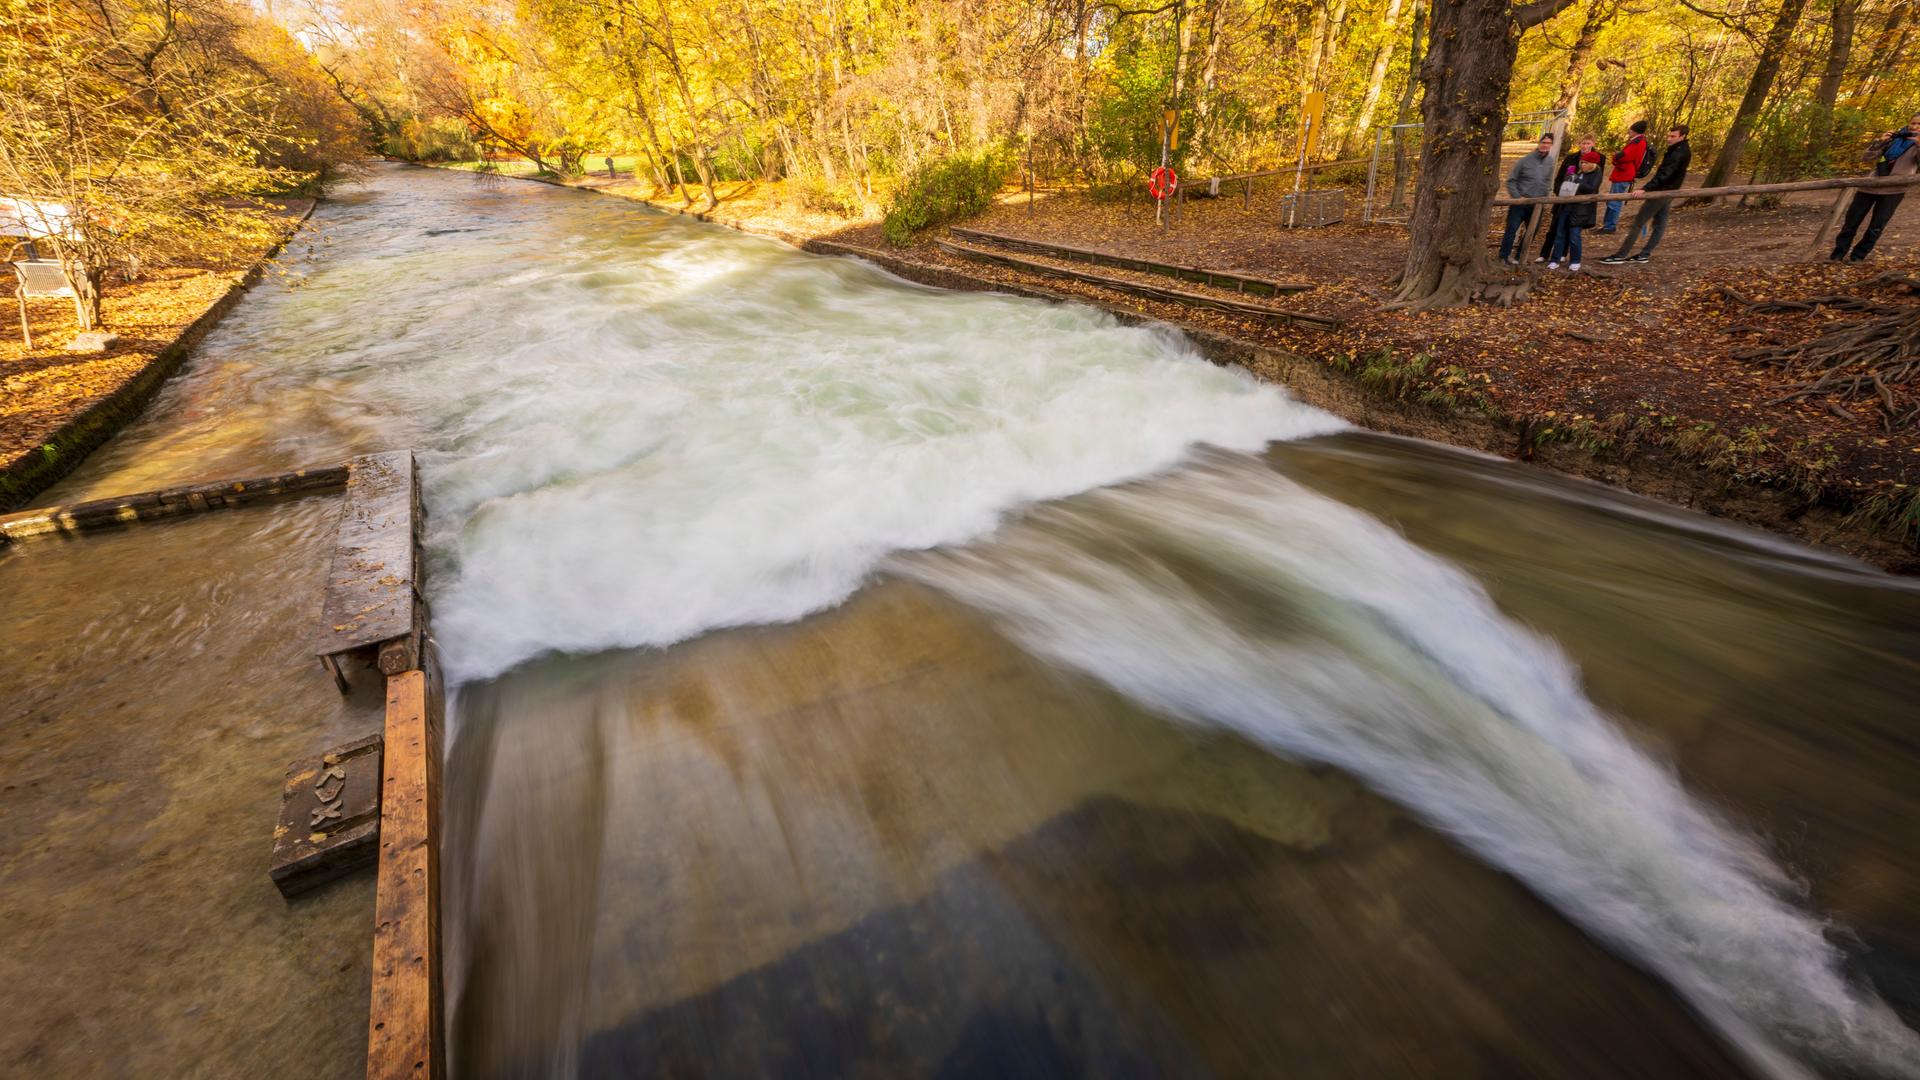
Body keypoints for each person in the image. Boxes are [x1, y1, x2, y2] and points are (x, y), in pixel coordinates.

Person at [1830, 111, 1920, 262]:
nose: (1915, 127)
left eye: (1919, 125)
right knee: (1851, 222)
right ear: (1908, 123)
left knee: (1876, 226)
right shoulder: (1894, 138)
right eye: (1913, 123)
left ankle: (1857, 256)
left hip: (1894, 190)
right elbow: (1866, 158)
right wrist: (1880, 141)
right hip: (1870, 185)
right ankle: (1837, 254)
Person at [1600, 124, 1691, 265]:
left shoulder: (1679, 152)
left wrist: (1646, 188)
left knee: (1638, 223)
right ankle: (1644, 254)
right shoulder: (1679, 149)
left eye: (1673, 136)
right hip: (1668, 191)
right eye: (1669, 135)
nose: (1669, 139)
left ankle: (1620, 255)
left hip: (1662, 192)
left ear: (1682, 136)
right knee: (1660, 224)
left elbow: (1666, 173)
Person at [1536, 135, 1598, 261]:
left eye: (1588, 143)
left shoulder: (1598, 158)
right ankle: (1544, 254)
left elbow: (1594, 183)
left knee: (1572, 229)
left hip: (1581, 202)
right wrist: (1560, 192)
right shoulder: (1571, 158)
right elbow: (1559, 177)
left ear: (1593, 144)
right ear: (1579, 143)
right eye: (1583, 143)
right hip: (1563, 198)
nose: (1585, 146)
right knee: (1554, 227)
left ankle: (1563, 254)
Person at [1499, 133, 1557, 265]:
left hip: (1537, 204)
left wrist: (1545, 197)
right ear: (1539, 143)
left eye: (1548, 143)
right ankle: (1504, 256)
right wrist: (1518, 197)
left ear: (1551, 146)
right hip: (1521, 202)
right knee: (1511, 229)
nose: (1545, 145)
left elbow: (1548, 181)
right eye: (1543, 142)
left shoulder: (1550, 162)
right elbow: (1511, 181)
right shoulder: (1525, 161)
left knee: (1532, 231)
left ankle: (1519, 257)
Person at [1547, 151, 1605, 271]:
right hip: (1566, 206)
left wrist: (1577, 180)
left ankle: (1575, 260)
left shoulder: (1596, 173)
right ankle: (1555, 259)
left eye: (1585, 163)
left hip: (1580, 210)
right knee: (1560, 234)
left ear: (1592, 164)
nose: (1582, 165)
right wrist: (1568, 178)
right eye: (1582, 162)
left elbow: (1591, 189)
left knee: (1574, 236)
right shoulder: (1578, 172)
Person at [1601, 121, 1651, 232]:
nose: (1629, 131)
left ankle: (1610, 226)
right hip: (1624, 173)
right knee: (1614, 200)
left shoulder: (1638, 142)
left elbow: (1624, 156)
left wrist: (1615, 157)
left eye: (1631, 129)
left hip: (1624, 174)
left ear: (1635, 131)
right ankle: (1608, 225)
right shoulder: (1639, 141)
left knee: (1615, 200)